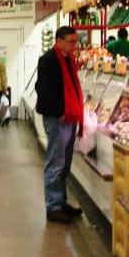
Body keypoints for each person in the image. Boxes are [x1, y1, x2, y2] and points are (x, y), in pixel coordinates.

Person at [35, 26, 84, 224]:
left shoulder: (68, 59)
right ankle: (53, 207)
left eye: (75, 41)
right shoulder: (48, 59)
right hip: (58, 119)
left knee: (64, 164)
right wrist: (59, 111)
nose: (74, 45)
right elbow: (43, 89)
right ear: (59, 40)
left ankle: (61, 201)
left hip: (69, 117)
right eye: (71, 42)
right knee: (55, 164)